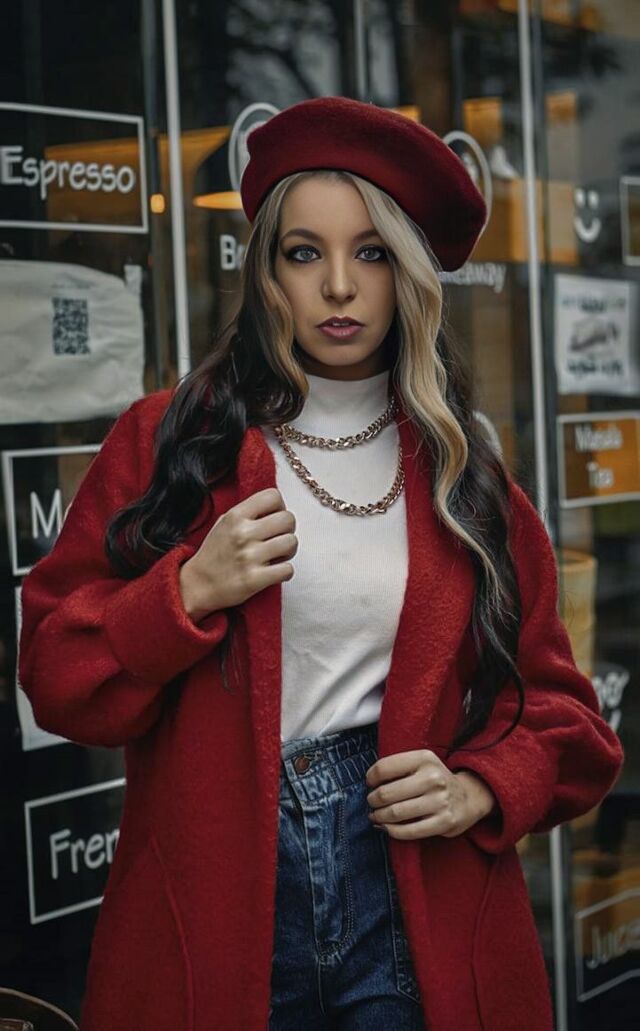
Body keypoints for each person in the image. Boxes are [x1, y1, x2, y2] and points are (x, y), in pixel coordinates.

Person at [18, 96, 623, 1031]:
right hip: (222, 900)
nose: (339, 286)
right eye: (305, 253)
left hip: (409, 896)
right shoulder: (172, 442)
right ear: (267, 271)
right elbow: (56, 675)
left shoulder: (465, 475)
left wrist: (478, 785)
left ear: (407, 272)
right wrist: (186, 592)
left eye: (371, 253)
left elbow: (569, 723)